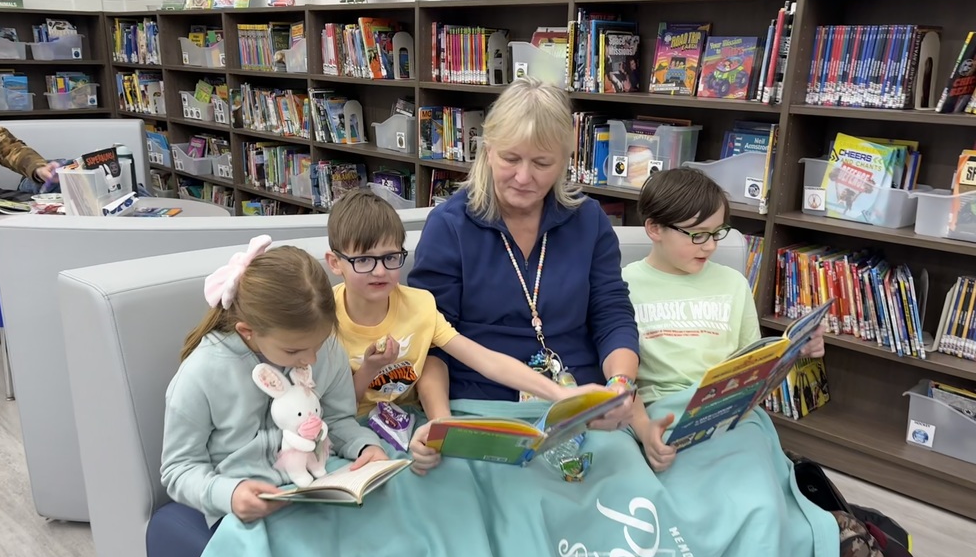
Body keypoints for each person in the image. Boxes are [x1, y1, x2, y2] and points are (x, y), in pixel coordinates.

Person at [407, 78, 641, 438]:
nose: (523, 177)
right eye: (510, 158)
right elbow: (432, 341)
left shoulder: (589, 220)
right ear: (487, 151)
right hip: (480, 404)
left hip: (580, 402)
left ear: (565, 161)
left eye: (542, 163)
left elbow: (611, 313)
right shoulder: (450, 226)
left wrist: (620, 384)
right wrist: (442, 426)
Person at [325, 188, 605, 470]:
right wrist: (369, 370)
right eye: (363, 260)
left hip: (409, 420)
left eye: (390, 257)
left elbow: (485, 360)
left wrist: (559, 395)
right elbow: (336, 410)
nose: (380, 271)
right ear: (335, 263)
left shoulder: (420, 305)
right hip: (351, 424)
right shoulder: (326, 320)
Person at [160, 235, 388, 525]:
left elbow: (338, 419)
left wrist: (365, 445)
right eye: (293, 350)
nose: (312, 360)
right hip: (248, 507)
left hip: (318, 481)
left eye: (318, 345)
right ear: (247, 331)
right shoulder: (200, 375)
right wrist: (229, 493)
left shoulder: (329, 348)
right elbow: (179, 469)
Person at [621, 168, 825, 472]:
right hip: (661, 414)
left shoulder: (733, 284)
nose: (711, 246)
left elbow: (756, 380)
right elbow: (620, 381)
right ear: (654, 229)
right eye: (697, 235)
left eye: (717, 233)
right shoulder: (623, 285)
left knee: (752, 483)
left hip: (729, 413)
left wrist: (795, 354)